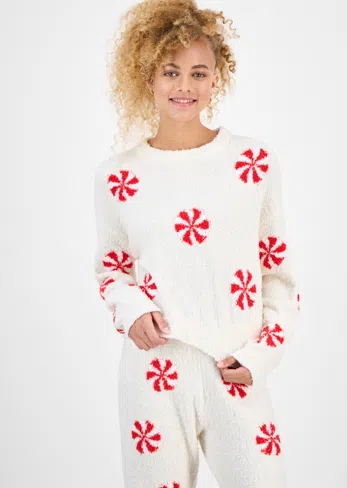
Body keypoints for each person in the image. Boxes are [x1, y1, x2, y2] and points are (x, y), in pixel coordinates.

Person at [93, 0, 301, 486]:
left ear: (216, 79)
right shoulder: (119, 177)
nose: (184, 86)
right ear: (148, 76)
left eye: (198, 73)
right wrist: (132, 309)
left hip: (236, 366)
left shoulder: (252, 164)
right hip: (154, 375)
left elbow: (277, 274)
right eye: (171, 72)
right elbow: (112, 269)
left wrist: (260, 356)